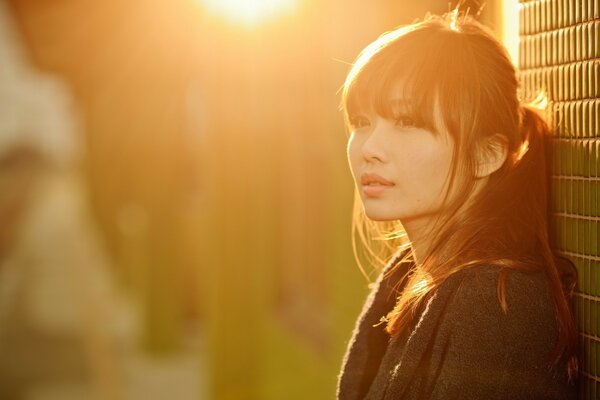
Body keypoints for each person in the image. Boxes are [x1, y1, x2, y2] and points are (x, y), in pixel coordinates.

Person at [336, 10, 579, 400]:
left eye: (407, 121)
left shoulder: (496, 304)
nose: (369, 148)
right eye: (362, 121)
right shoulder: (409, 274)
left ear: (486, 154)